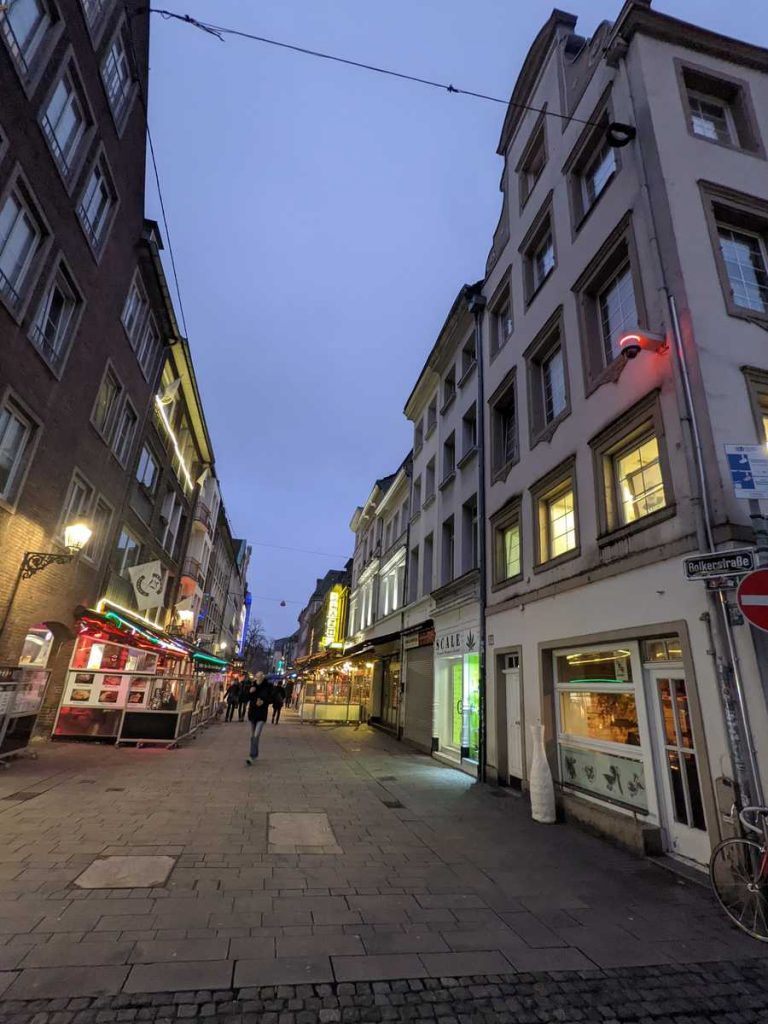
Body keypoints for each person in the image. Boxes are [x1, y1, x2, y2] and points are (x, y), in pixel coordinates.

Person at [246, 672, 272, 765]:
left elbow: (270, 698)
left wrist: (263, 702)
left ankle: (252, 755)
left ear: (263, 677)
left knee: (256, 735)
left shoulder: (268, 686)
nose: (258, 678)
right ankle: (255, 753)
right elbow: (248, 698)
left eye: (260, 676)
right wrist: (250, 692)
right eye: (257, 676)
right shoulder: (253, 686)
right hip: (253, 714)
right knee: (252, 736)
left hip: (261, 714)